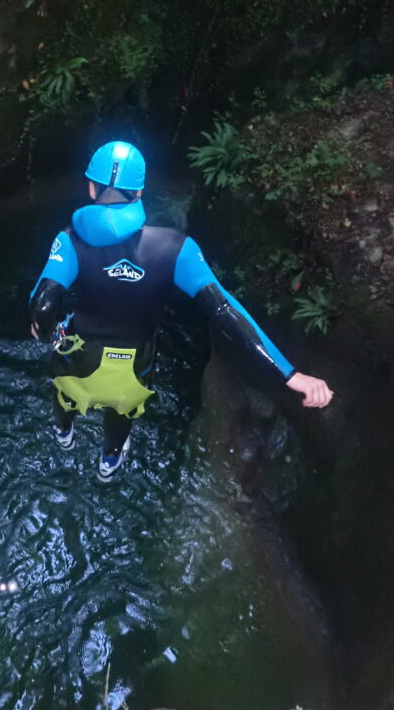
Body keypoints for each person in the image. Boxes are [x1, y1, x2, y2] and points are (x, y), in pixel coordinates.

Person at [29, 140, 333, 482]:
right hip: (131, 364)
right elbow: (223, 310)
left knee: (67, 392)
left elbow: (43, 303)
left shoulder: (69, 240)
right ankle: (109, 462)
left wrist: (46, 331)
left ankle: (64, 435)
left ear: (91, 187)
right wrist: (290, 374)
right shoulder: (176, 248)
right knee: (121, 408)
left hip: (80, 356)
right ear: (140, 192)